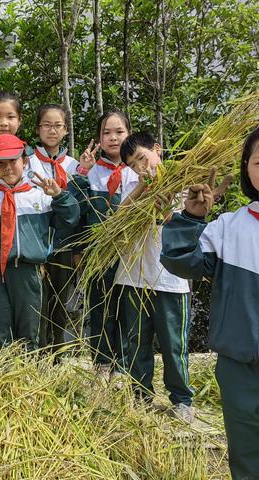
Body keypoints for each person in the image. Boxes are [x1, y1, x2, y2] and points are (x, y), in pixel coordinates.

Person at [160, 128, 258, 479]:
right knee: (247, 456)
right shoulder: (228, 228)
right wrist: (191, 219)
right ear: (247, 168)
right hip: (240, 368)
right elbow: (180, 261)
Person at [0, 134, 80, 357]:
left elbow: (70, 220)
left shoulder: (41, 198)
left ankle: (29, 381)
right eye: (0, 164)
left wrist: (59, 196)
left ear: (25, 161)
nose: (7, 168)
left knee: (32, 330)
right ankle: (2, 380)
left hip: (31, 275)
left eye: (13, 161)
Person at [116, 132, 194, 421]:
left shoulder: (183, 187)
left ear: (157, 150)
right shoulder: (130, 188)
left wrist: (166, 212)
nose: (140, 168)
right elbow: (116, 225)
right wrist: (139, 190)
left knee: (174, 345)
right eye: (133, 165)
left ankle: (182, 400)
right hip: (134, 279)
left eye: (142, 158)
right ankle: (140, 396)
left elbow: (189, 228)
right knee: (137, 342)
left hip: (172, 281)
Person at [70, 109, 136, 377]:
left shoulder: (138, 171)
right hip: (99, 254)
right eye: (106, 133)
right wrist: (78, 251)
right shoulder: (90, 172)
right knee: (100, 308)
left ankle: (122, 365)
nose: (113, 138)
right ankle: (101, 361)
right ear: (98, 138)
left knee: (127, 308)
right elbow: (77, 214)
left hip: (131, 254)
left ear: (129, 135)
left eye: (119, 132)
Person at [27, 104, 79, 354]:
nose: (52, 130)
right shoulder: (27, 162)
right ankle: (38, 353)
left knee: (60, 300)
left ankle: (57, 355)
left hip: (63, 243)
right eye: (46, 125)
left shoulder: (74, 165)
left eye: (57, 125)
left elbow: (79, 209)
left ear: (66, 130)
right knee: (37, 300)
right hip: (35, 240)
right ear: (37, 129)